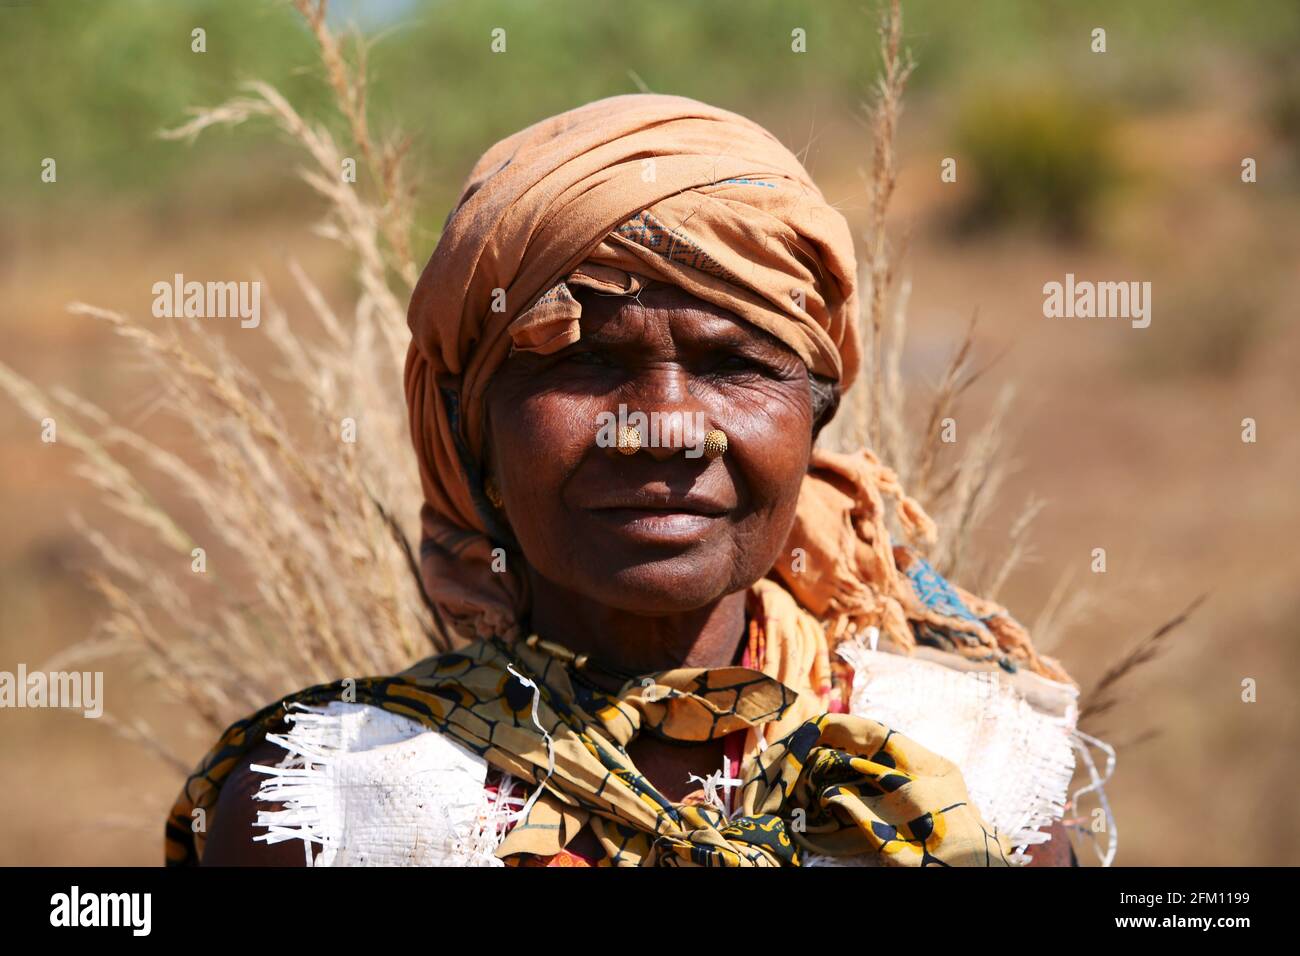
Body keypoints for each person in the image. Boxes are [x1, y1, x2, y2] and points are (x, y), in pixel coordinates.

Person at [166, 93, 1080, 868]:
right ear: (467, 430)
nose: (665, 428)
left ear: (816, 417)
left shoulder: (974, 777)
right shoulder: (336, 809)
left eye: (734, 365)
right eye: (586, 362)